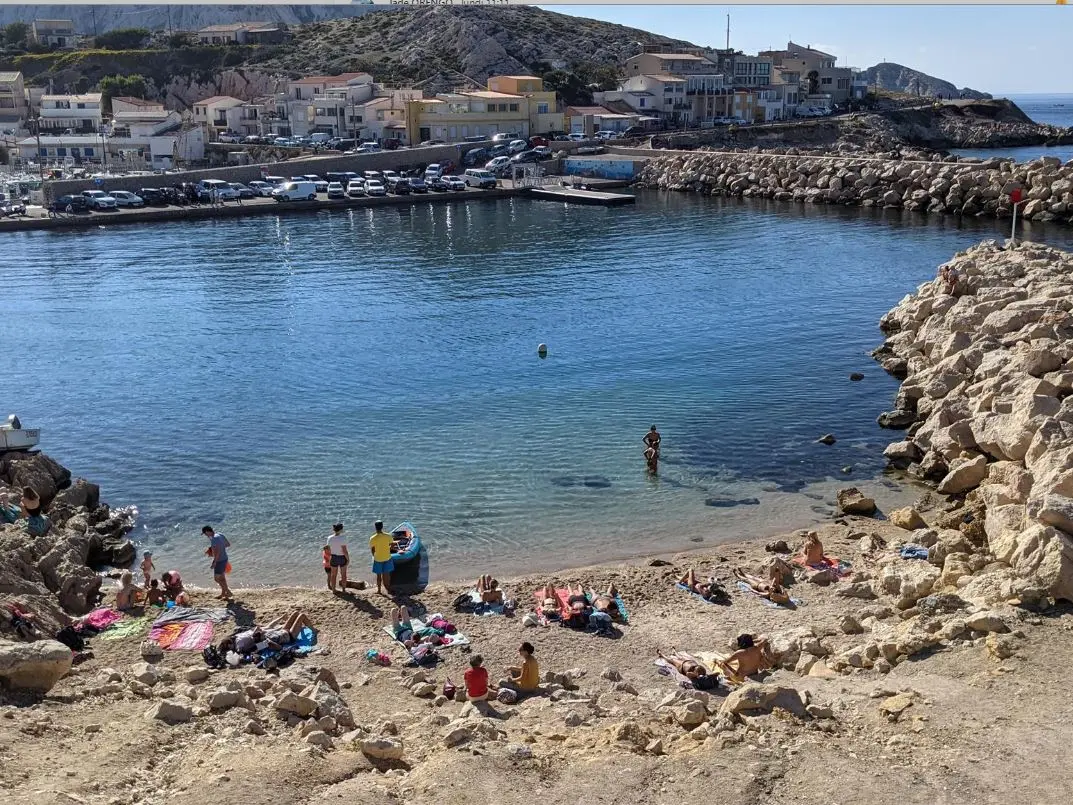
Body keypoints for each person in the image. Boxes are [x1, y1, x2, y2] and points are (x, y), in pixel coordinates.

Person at [203, 525, 232, 600]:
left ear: (207, 531)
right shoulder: (220, 534)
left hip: (219, 560)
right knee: (222, 578)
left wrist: (214, 562)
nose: (206, 535)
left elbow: (218, 552)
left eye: (205, 534)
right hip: (225, 558)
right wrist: (220, 547)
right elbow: (228, 544)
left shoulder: (214, 539)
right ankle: (224, 594)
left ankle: (228, 591)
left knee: (217, 579)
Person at [370, 520, 394, 596]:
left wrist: (374, 555)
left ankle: (379, 590)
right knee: (387, 575)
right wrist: (388, 549)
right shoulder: (388, 536)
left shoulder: (372, 538)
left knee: (378, 576)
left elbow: (373, 550)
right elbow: (392, 545)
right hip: (387, 557)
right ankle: (388, 589)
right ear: (382, 527)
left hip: (378, 558)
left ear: (375, 527)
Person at [327, 522, 350, 592]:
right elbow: (344, 550)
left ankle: (334, 589)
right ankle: (343, 589)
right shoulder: (343, 538)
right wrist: (348, 559)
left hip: (333, 557)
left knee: (333, 575)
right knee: (343, 574)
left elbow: (328, 549)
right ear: (340, 530)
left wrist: (330, 557)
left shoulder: (329, 538)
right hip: (342, 557)